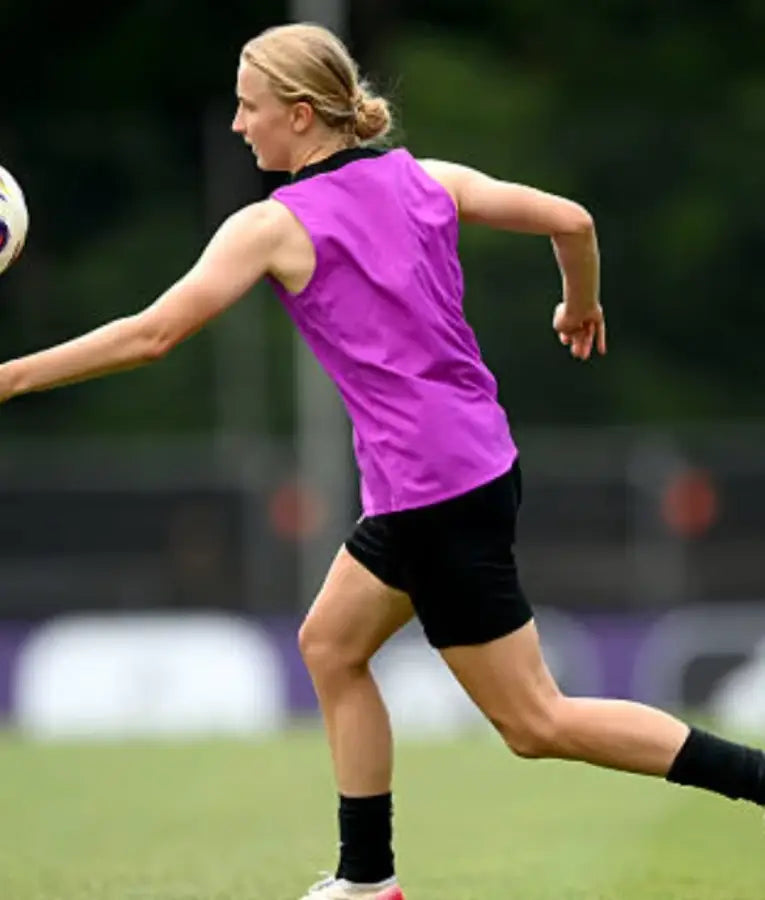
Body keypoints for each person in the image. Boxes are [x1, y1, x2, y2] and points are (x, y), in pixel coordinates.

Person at [1, 21, 763, 900]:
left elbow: (153, 334)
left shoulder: (272, 226)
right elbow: (573, 221)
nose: (240, 126)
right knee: (329, 644)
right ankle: (367, 879)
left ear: (297, 112)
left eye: (250, 109)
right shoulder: (423, 178)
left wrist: (14, 377)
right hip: (466, 465)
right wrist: (576, 306)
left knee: (534, 721)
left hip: (432, 492)